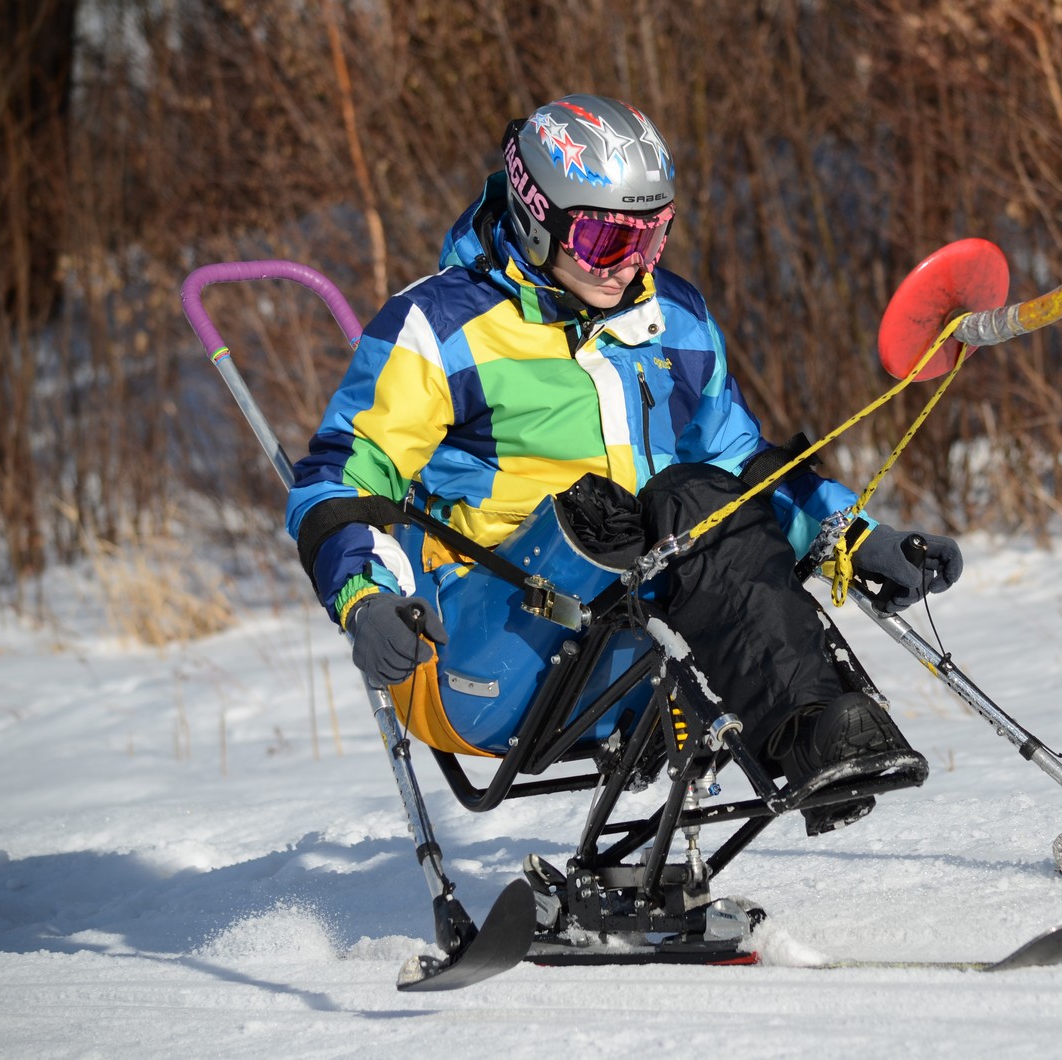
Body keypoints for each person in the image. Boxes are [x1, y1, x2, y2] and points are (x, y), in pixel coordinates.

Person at [286, 94, 962, 834]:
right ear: (537, 215)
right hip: (482, 652)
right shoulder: (442, 327)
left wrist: (858, 536)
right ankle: (804, 734)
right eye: (608, 240)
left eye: (654, 237)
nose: (632, 266)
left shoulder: (675, 315)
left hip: (648, 643)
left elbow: (743, 464)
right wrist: (365, 599)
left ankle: (821, 731)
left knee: (703, 497)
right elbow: (341, 480)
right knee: (662, 503)